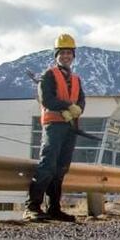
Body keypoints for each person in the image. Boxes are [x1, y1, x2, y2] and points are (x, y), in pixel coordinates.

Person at [24, 33, 85, 222]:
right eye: (63, 53)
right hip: (53, 126)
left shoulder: (76, 79)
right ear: (56, 55)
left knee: (61, 168)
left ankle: (54, 209)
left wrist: (77, 111)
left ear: (73, 55)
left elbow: (81, 101)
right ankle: (32, 207)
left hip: (69, 127)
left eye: (69, 53)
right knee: (47, 165)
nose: (66, 56)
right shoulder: (48, 75)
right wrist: (67, 107)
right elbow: (47, 99)